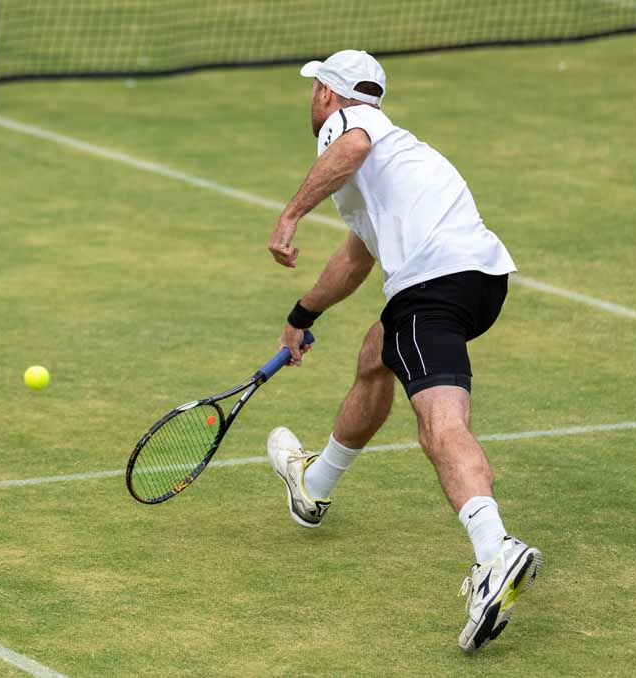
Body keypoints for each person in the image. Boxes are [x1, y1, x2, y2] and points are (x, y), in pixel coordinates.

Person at [264, 49, 541, 652]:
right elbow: (358, 256)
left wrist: (289, 216)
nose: (312, 100)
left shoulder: (351, 131)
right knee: (375, 353)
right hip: (480, 282)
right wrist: (302, 313)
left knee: (439, 424)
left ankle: (495, 551)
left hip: (432, 286)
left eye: (316, 90)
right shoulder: (387, 165)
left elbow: (353, 146)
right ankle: (314, 485)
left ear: (331, 96)